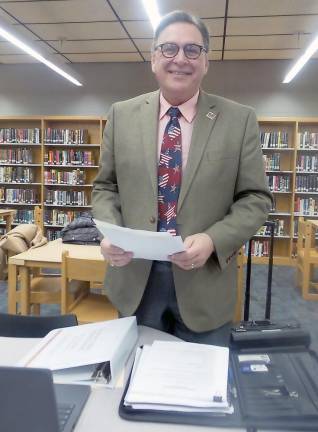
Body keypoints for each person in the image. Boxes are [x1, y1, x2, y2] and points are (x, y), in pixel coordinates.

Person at [92, 10, 272, 345]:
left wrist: (213, 240)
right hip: (134, 279)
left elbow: (255, 198)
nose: (180, 59)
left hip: (205, 282)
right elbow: (105, 186)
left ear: (205, 62)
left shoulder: (239, 120)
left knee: (199, 387)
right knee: (134, 387)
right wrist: (109, 232)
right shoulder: (121, 115)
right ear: (153, 58)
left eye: (192, 50)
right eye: (169, 48)